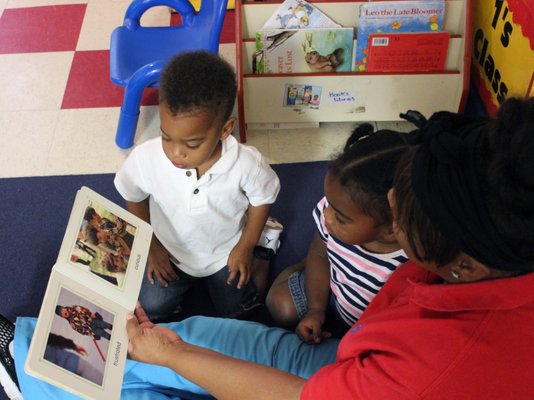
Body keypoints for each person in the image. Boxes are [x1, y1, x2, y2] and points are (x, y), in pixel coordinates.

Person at [6, 98, 534, 399]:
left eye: (405, 213)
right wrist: (173, 349)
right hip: (347, 363)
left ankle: (28, 372)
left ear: (464, 263)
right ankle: (28, 345)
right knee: (187, 337)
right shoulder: (481, 261)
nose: (395, 200)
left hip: (357, 384)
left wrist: (172, 356)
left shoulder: (443, 367)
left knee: (148, 373)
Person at [114, 50, 281, 322]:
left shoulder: (247, 163)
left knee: (239, 311)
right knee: (151, 308)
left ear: (225, 130)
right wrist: (151, 244)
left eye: (192, 144)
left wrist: (246, 246)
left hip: (225, 253)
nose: (176, 153)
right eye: (166, 137)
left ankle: (264, 249)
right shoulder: (146, 158)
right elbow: (133, 195)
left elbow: (263, 197)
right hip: (170, 251)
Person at [266, 124, 408, 343]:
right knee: (280, 306)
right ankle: (302, 267)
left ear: (390, 229)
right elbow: (320, 254)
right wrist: (315, 309)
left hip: (369, 329)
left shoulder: (409, 261)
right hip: (330, 289)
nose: (326, 215)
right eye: (329, 204)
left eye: (341, 217)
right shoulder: (332, 214)